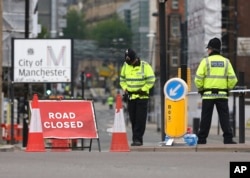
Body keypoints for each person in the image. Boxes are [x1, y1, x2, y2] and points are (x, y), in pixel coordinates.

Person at [194, 37, 238, 144]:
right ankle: (228, 139)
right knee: (224, 118)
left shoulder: (205, 61)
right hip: (222, 95)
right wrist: (227, 89)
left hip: (208, 95)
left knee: (206, 118)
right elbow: (233, 79)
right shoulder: (226, 62)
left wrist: (201, 89)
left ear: (211, 49)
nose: (207, 51)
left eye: (208, 48)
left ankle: (202, 139)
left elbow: (198, 79)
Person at [120, 48, 156, 146]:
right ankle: (136, 138)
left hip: (142, 97)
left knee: (140, 119)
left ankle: (137, 139)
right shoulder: (125, 66)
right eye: (128, 62)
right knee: (133, 119)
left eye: (131, 61)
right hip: (131, 97)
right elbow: (122, 79)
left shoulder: (145, 66)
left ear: (135, 58)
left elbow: (151, 80)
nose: (130, 64)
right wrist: (125, 88)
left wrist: (144, 88)